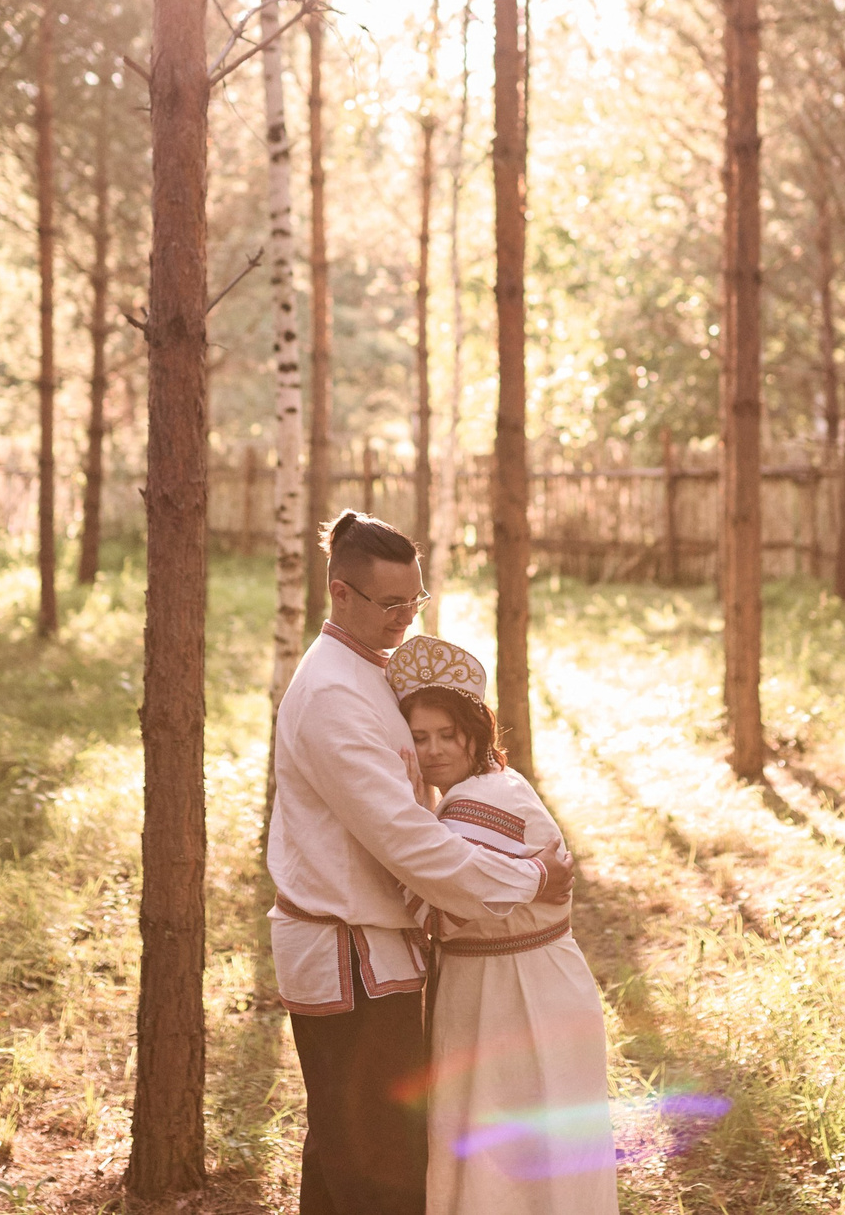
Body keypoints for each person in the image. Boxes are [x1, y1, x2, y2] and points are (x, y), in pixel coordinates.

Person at [268, 511, 574, 1215]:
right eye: (391, 604)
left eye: (416, 601)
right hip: (349, 960)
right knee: (379, 1170)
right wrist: (527, 879)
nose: (406, 619)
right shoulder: (333, 696)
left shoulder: (370, 672)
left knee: (347, 1154)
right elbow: (407, 838)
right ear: (340, 594)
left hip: (378, 953)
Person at [392, 636, 618, 1215]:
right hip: (498, 985)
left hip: (518, 992)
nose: (435, 750)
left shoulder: (479, 802)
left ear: (478, 731)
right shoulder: (476, 794)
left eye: (449, 734)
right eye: (419, 737)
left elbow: (436, 902)